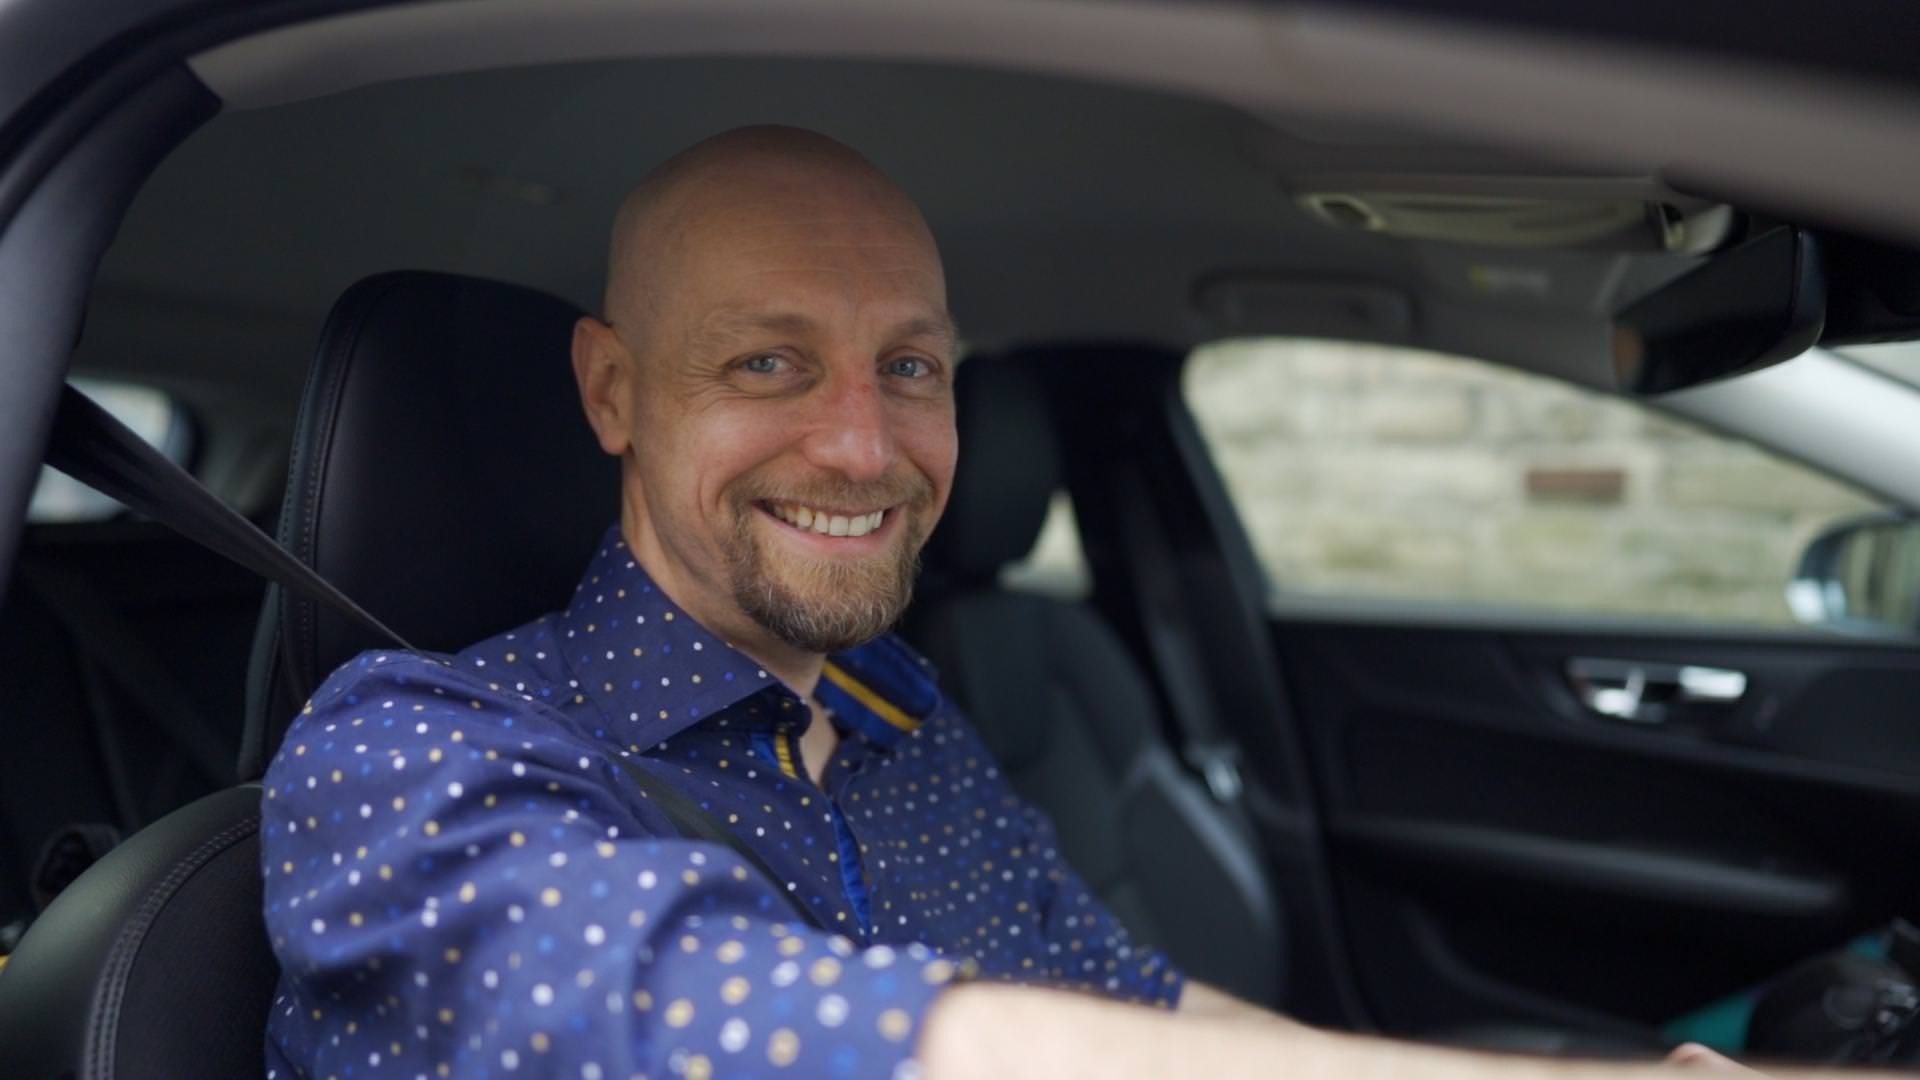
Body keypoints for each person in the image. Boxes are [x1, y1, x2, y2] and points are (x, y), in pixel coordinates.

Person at [262, 125, 1763, 1079]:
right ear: (614, 391)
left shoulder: (907, 718)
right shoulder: (413, 754)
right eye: (768, 363)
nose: (865, 446)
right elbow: (727, 1031)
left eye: (909, 367)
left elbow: (1141, 1004)